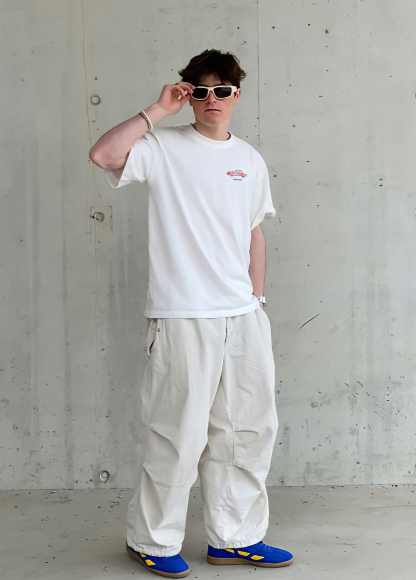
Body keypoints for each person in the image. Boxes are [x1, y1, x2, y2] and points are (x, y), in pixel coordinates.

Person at [89, 49, 293, 578]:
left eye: (221, 91)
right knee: (177, 434)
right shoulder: (162, 146)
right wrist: (158, 110)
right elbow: (103, 155)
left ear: (236, 96)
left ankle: (235, 538)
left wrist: (257, 300)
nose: (211, 100)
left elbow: (254, 233)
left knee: (246, 431)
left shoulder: (248, 159)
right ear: (189, 95)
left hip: (242, 316)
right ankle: (152, 542)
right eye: (200, 91)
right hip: (182, 315)